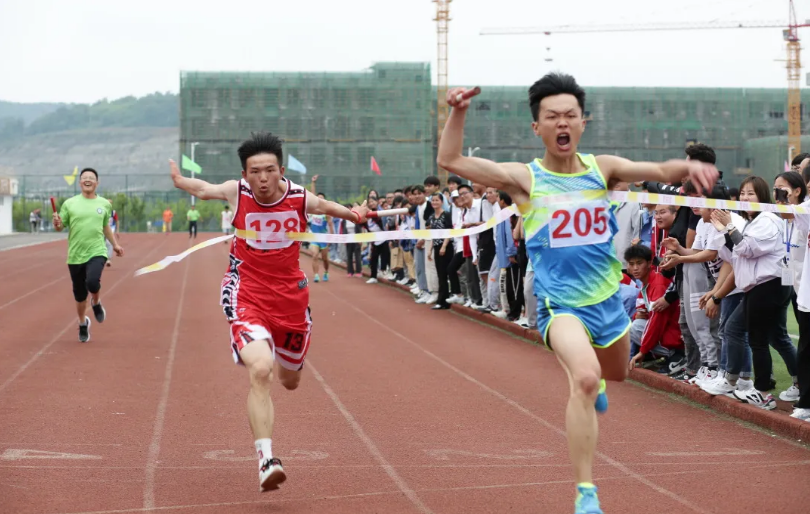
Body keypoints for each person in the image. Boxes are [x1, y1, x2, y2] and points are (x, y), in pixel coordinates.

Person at [436, 73, 718, 514]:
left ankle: (600, 376)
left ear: (582, 122)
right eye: (552, 116)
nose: (562, 122)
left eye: (570, 114)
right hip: (558, 303)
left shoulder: (600, 169)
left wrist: (691, 168)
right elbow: (450, 158)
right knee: (584, 379)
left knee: (614, 374)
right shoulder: (524, 179)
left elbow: (660, 171)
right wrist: (458, 111)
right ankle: (586, 493)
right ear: (538, 127)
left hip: (607, 300)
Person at [169, 132, 368, 492]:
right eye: (255, 171)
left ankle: (288, 354)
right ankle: (266, 459)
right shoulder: (237, 192)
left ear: (280, 170)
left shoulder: (298, 197)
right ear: (245, 174)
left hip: (290, 300)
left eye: (269, 170)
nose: (262, 178)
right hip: (246, 293)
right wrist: (182, 182)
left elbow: (326, 207)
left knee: (289, 381)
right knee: (260, 370)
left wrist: (354, 214)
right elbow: (204, 189)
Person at [52, 168, 124, 343]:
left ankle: (97, 302)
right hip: (75, 255)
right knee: (79, 296)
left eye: (91, 178)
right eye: (85, 178)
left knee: (92, 281)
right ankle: (83, 322)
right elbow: (60, 226)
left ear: (97, 183)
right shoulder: (69, 204)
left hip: (96, 251)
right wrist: (57, 223)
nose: (88, 180)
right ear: (80, 182)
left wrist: (115, 244)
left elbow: (106, 226)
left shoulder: (104, 204)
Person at [308, 175, 332, 283]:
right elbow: (312, 195)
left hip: (324, 237)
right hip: (314, 236)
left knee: (325, 258)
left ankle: (326, 271)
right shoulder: (313, 210)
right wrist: (313, 183)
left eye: (322, 198)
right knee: (314, 255)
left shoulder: (326, 212)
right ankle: (316, 275)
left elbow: (330, 224)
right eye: (318, 198)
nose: (319, 199)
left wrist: (332, 237)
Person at [105, 199, 119, 267]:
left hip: (111, 228)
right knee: (102, 243)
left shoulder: (113, 213)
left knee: (109, 242)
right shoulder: (102, 211)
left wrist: (117, 231)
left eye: (110, 204)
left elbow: (116, 221)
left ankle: (108, 259)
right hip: (102, 228)